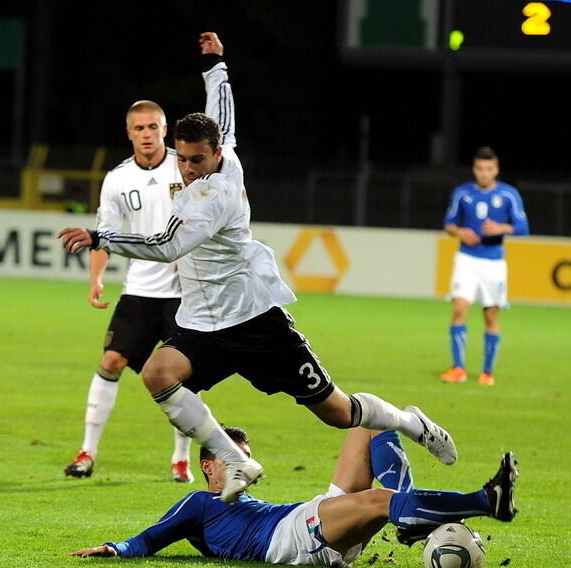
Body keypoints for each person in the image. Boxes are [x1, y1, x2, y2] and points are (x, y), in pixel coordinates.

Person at [59, 33, 458, 504]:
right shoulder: (221, 152)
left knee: (337, 412)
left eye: (196, 160)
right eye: (182, 159)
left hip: (255, 321)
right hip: (207, 324)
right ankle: (235, 460)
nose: (187, 169)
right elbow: (224, 116)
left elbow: (167, 245)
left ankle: (412, 422)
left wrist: (102, 237)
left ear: (217, 156)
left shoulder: (214, 196)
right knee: (158, 374)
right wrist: (216, 68)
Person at [70, 426, 518, 565]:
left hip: (302, 517)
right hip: (289, 541)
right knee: (382, 499)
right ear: (207, 465)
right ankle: (485, 501)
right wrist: (114, 548)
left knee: (367, 424)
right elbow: (153, 538)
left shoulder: (239, 499)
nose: (242, 464)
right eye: (231, 457)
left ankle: (410, 518)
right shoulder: (199, 504)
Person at [63, 101, 191, 482]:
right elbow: (104, 234)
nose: (147, 134)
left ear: (165, 129)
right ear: (129, 133)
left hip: (186, 291)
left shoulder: (185, 166)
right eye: (140, 128)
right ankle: (87, 452)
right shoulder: (117, 179)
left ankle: (180, 459)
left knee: (183, 375)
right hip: (140, 288)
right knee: (111, 361)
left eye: (153, 126)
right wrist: (95, 279)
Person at [440, 147, 529, 386]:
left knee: (490, 315)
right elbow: (449, 224)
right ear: (474, 169)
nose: (484, 173)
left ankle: (487, 372)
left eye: (489, 169)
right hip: (466, 259)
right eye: (480, 168)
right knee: (459, 308)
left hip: (493, 262)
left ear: (496, 169)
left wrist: (500, 228)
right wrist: (461, 231)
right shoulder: (462, 193)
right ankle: (458, 368)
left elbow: (522, 227)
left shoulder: (509, 195)